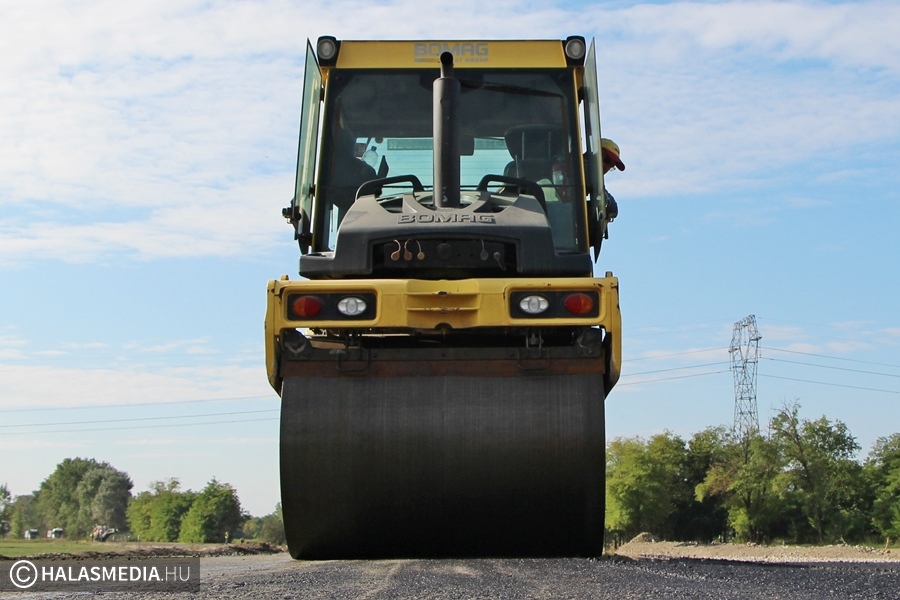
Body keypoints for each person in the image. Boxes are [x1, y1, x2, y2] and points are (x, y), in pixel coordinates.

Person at [600, 138, 624, 220]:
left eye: (611, 166)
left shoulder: (597, 182)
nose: (607, 167)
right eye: (606, 160)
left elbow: (612, 208)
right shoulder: (576, 171)